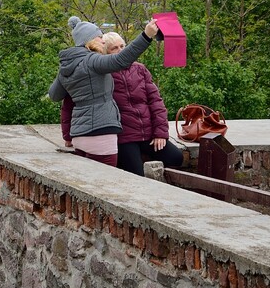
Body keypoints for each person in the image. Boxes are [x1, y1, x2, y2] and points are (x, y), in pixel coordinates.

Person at [60, 31, 184, 176]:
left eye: (122, 46)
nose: (121, 50)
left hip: (148, 134)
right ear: (105, 51)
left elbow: (156, 102)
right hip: (124, 137)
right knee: (135, 174)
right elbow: (70, 105)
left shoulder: (139, 69)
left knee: (176, 157)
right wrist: (67, 136)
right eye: (114, 48)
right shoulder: (98, 72)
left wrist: (160, 133)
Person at [48, 16, 158, 167]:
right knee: (107, 184)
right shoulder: (92, 60)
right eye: (100, 37)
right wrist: (146, 36)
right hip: (100, 133)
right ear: (89, 40)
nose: (103, 41)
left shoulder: (66, 67)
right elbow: (121, 60)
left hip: (79, 135)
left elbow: (54, 95)